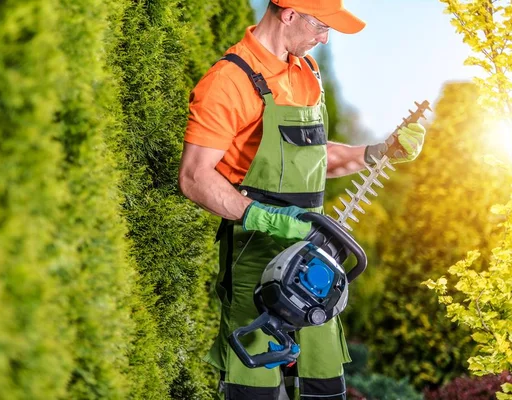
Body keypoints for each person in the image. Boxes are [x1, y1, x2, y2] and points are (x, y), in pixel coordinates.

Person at [178, 0, 426, 398]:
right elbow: (194, 177)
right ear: (289, 13)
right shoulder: (230, 82)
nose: (324, 38)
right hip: (256, 255)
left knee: (323, 379)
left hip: (314, 253)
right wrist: (266, 218)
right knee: (255, 379)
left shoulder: (305, 71)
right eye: (321, 27)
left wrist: (376, 153)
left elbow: (312, 156)